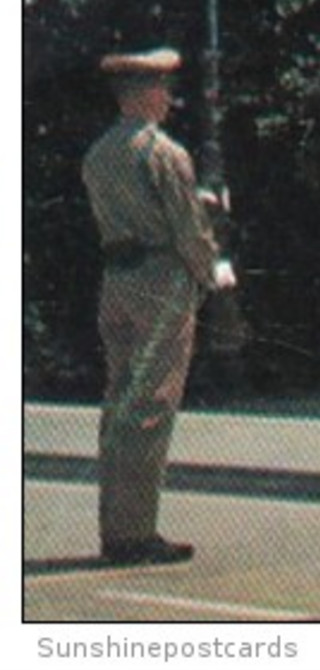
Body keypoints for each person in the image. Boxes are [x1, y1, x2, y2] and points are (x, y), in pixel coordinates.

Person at [81, 47, 236, 565]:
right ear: (144, 93)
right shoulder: (164, 152)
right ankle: (135, 532)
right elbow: (187, 231)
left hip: (116, 277)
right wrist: (212, 274)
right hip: (159, 280)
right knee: (151, 404)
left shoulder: (99, 153)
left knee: (119, 402)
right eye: (164, 89)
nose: (170, 98)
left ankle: (115, 524)